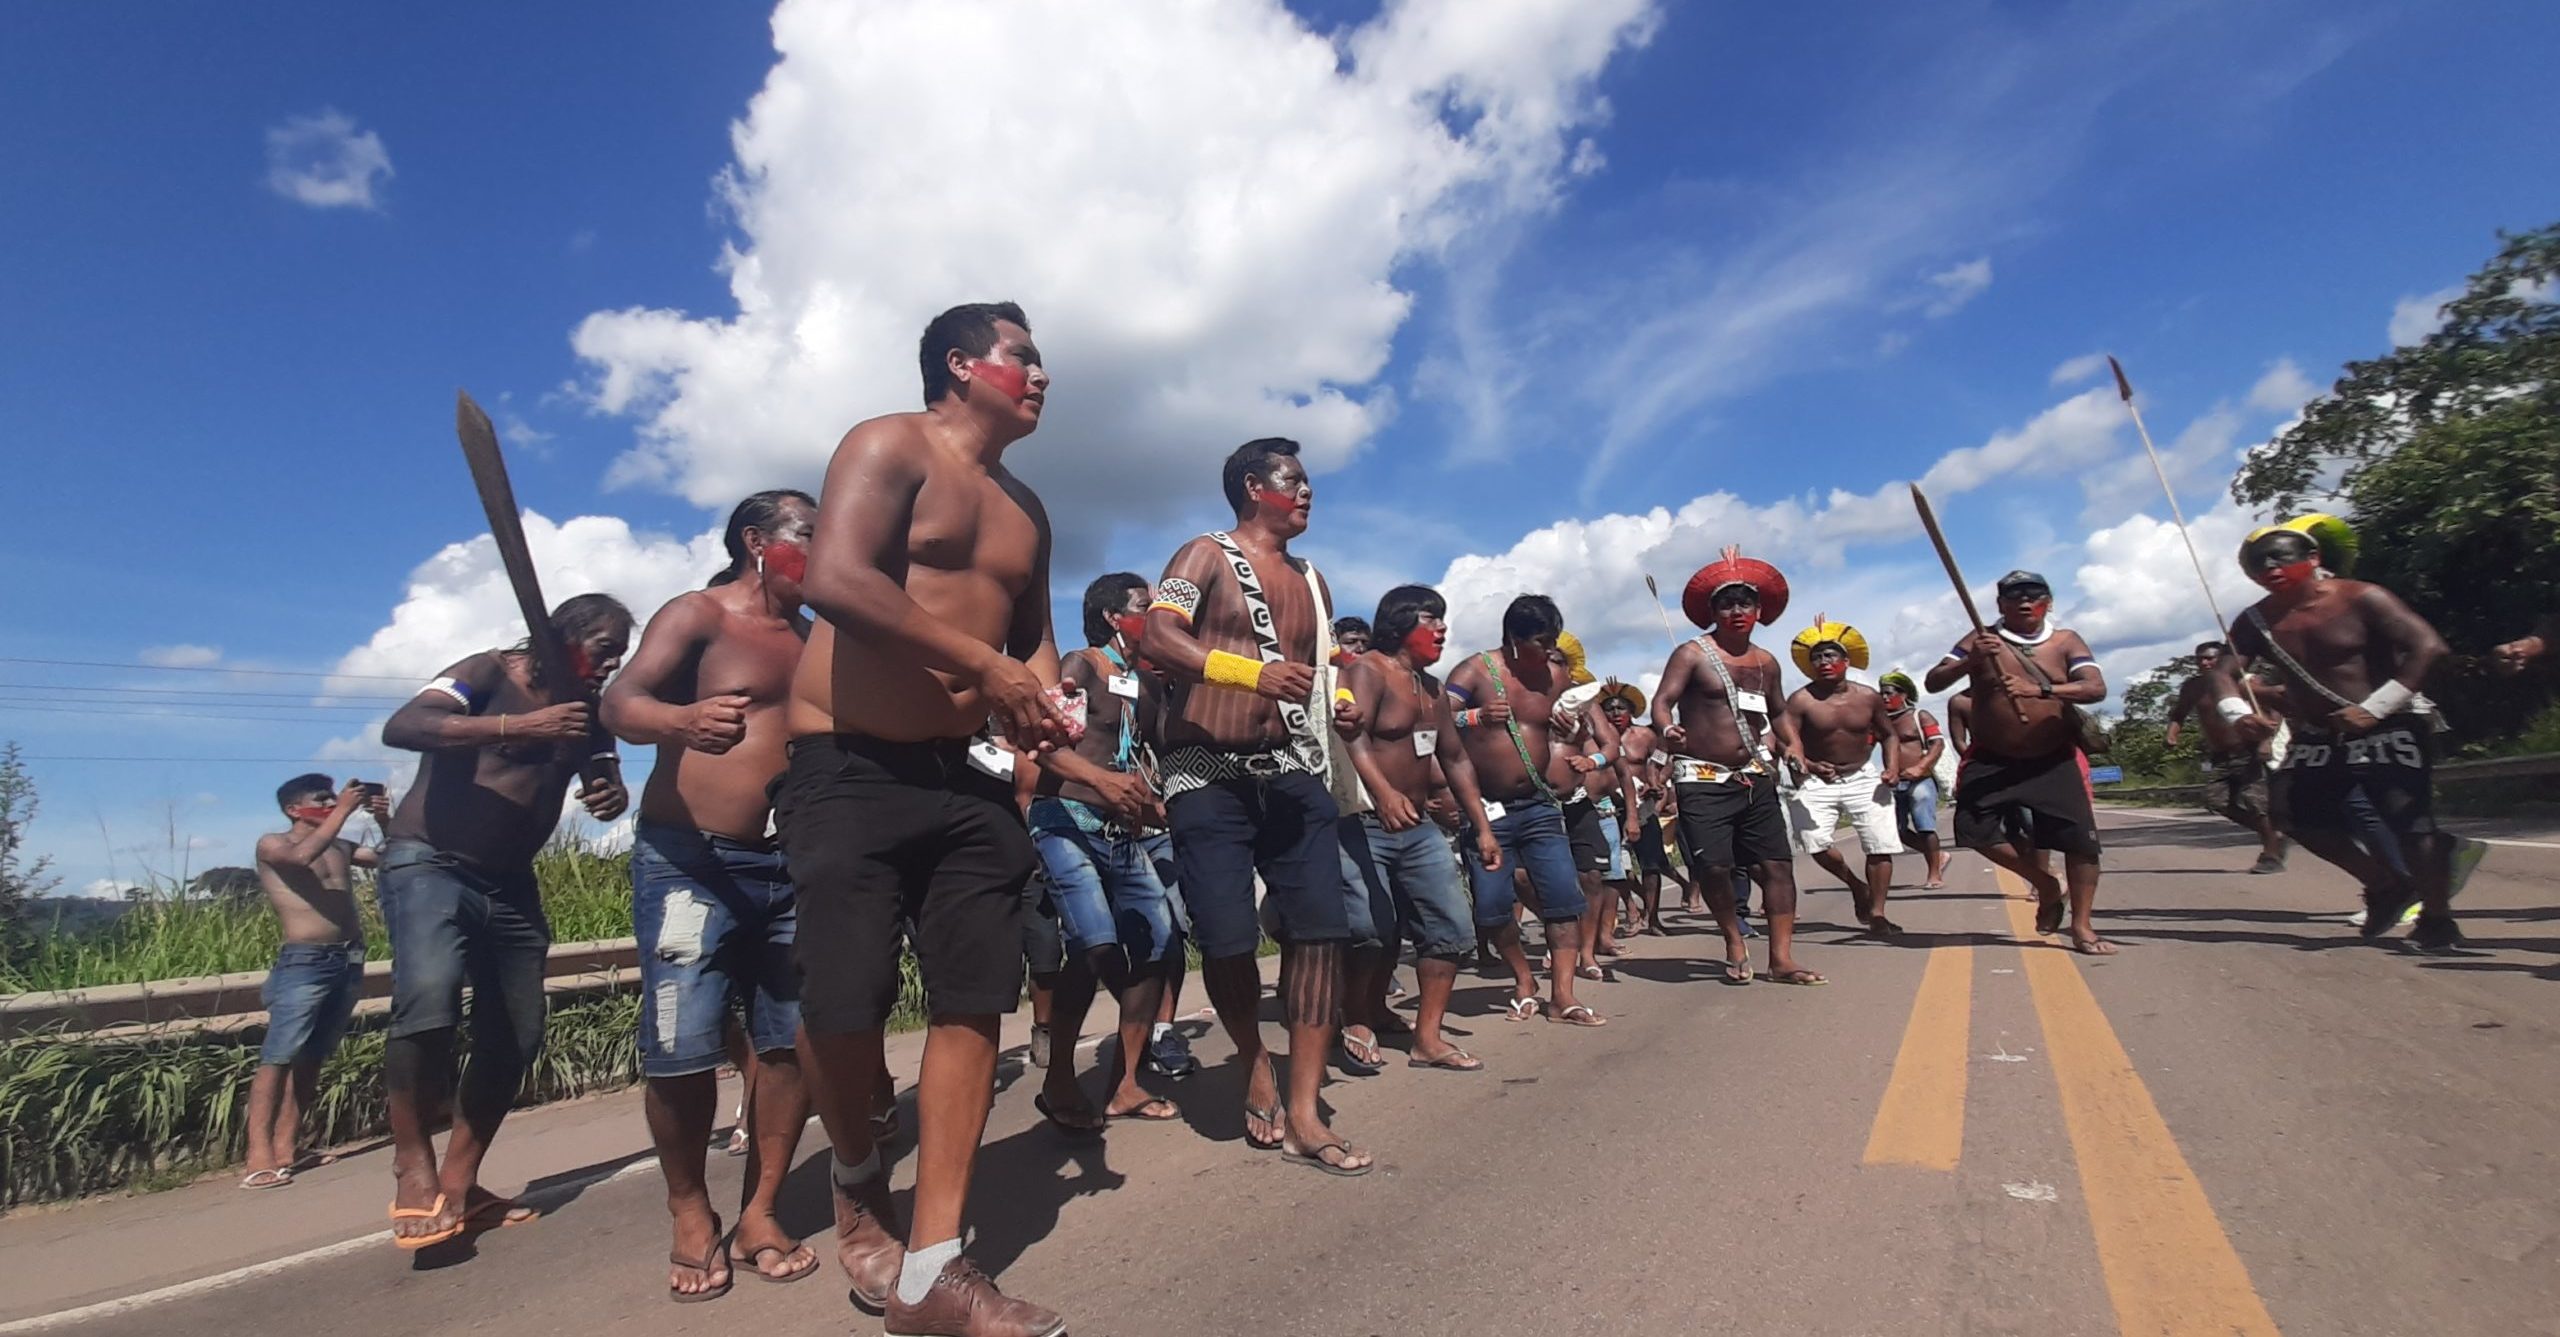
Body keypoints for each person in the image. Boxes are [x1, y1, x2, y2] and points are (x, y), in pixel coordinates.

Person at [774, 300, 1071, 1335]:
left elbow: (1030, 638)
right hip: (844, 762)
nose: (1041, 374)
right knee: (844, 1000)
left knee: (972, 995)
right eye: (1021, 356)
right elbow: (837, 578)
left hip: (968, 777)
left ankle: (933, 1267)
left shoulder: (1027, 506)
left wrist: (1047, 713)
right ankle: (858, 1171)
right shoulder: (888, 441)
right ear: (960, 363)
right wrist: (985, 665)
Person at [600, 489, 822, 1301]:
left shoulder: (811, 636)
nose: (823, 547)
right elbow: (619, 703)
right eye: (809, 533)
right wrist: (681, 720)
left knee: (789, 1040)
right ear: (756, 541)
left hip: (790, 867)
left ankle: (762, 1207)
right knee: (683, 1042)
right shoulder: (699, 614)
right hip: (691, 860)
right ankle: (690, 1208)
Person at [1142, 436, 1373, 1176]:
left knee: (1320, 932)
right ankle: (1253, 1059)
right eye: (1293, 481)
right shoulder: (1200, 555)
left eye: (1308, 482)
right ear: (1252, 486)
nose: (1307, 492)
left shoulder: (1313, 579)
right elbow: (1157, 634)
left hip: (1291, 767)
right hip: (1204, 770)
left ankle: (1305, 1109)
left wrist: (1337, 698)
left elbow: (1324, 667)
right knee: (1229, 939)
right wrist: (1247, 671)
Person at [377, 594, 633, 1248]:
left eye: (618, 655)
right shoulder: (487, 672)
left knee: (516, 1033)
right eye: (604, 648)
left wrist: (609, 791)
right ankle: (413, 1165)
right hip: (430, 860)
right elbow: (405, 725)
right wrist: (517, 727)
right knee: (429, 997)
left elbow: (605, 773)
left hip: (510, 882)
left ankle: (461, 1181)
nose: (611, 663)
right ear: (565, 639)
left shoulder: (589, 714)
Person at [2209, 515, 2476, 949]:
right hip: (2318, 735)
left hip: (2390, 726)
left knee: (2409, 822)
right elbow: (2223, 672)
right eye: (2258, 563)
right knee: (2291, 814)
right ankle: (2385, 884)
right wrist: (2237, 713)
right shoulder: (2255, 621)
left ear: (2313, 558)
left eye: (2282, 557)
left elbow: (2428, 648)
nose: (2270, 568)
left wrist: (2374, 709)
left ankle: (2438, 917)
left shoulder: (2363, 597)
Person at [1021, 573, 1186, 1130]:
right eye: (1144, 606)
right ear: (1115, 617)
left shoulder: (1149, 683)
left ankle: (1124, 1085)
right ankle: (1060, 1082)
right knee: (1095, 945)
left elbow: (1157, 749)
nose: (1153, 614)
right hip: (1065, 818)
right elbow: (1046, 742)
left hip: (1123, 831)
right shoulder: (1081, 665)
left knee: (1159, 943)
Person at [1338, 584, 1506, 1071]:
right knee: (1372, 930)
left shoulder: (1432, 689)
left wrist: (1483, 827)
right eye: (1430, 619)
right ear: (1400, 624)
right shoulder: (1366, 669)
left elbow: (1454, 759)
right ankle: (1358, 1016)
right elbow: (1352, 736)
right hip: (1363, 821)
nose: (1441, 629)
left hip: (1418, 825)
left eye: (1442, 619)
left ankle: (1427, 1039)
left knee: (1451, 928)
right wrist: (1383, 793)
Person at [1442, 595, 1613, 1024]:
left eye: (1553, 639)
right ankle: (1523, 979)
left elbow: (1583, 729)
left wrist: (1575, 732)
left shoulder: (1555, 677)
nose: (1548, 648)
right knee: (1493, 907)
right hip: (1486, 809)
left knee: (1561, 898)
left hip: (1539, 806)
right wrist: (1475, 717)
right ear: (1513, 639)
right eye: (1540, 640)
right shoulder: (1475, 670)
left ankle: (1563, 996)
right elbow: (1435, 721)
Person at [1651, 548, 1818, 984]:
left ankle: (1781, 958)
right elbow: (1662, 702)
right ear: (1714, 611)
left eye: (1745, 602)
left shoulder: (1766, 663)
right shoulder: (1692, 654)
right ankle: (1733, 938)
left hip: (1753, 776)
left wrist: (1793, 745)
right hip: (1703, 778)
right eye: (1727, 603)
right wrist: (1668, 729)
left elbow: (1779, 712)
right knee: (1714, 868)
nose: (1737, 611)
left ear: (1759, 611)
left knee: (1777, 866)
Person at [1924, 571, 2111, 954]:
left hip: (2052, 759)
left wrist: (2041, 689)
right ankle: (2043, 883)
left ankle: (2082, 926)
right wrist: (1970, 661)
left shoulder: (2065, 642)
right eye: (2014, 596)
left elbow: (2094, 688)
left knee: (2081, 846)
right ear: (1999, 605)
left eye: (2034, 595)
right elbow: (1934, 681)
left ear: (2049, 602)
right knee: (1972, 831)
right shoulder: (1979, 640)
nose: (2025, 602)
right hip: (1993, 758)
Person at [241, 773, 386, 1190]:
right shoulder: (274, 844)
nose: (330, 801)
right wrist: (342, 808)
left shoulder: (340, 845)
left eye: (333, 796)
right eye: (321, 797)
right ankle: (259, 1154)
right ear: (293, 808)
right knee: (279, 1056)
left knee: (312, 1056)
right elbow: (303, 857)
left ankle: (289, 1147)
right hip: (304, 961)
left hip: (347, 959)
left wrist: (384, 818)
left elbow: (390, 856)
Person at [1781, 620, 1904, 935]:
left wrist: (1892, 768)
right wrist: (1806, 763)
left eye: (1831, 656)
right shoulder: (1800, 700)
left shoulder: (1868, 697)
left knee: (1879, 845)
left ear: (1846, 662)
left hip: (1863, 775)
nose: (1824, 663)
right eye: (1818, 658)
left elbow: (1888, 735)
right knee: (1815, 842)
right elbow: (1787, 743)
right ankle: (1855, 884)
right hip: (1817, 779)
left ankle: (1877, 914)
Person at [2163, 641, 2289, 875]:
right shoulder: (2193, 687)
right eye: (2200, 659)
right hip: (2220, 755)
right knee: (2216, 800)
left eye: (2211, 658)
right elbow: (2178, 713)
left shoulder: (2246, 683)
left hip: (2249, 751)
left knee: (2256, 803)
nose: (2205, 662)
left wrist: (2265, 741)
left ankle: (2271, 855)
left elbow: (2273, 713)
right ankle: (2273, 834)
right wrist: (2172, 733)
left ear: (2223, 660)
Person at [1877, 671, 1952, 889]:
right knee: (1898, 831)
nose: (1884, 698)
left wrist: (1921, 767)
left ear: (1904, 694)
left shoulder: (1920, 716)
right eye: (1881, 694)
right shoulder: (1880, 722)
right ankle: (1939, 856)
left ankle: (1934, 873)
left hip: (1921, 779)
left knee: (1924, 826)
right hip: (1894, 782)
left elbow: (1937, 744)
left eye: (1889, 693)